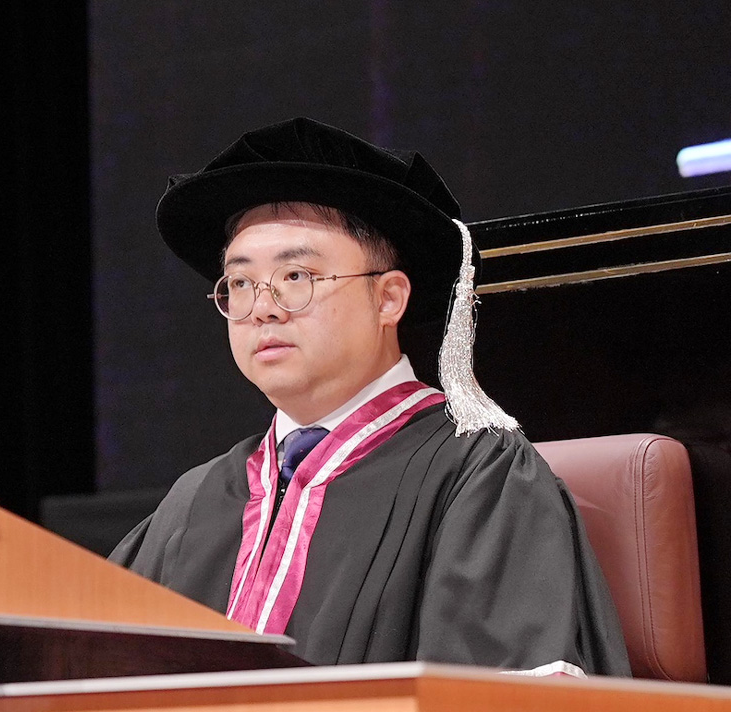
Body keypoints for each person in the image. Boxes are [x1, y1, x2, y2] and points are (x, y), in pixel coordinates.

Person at [111, 118, 630, 676]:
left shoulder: (477, 475)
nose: (262, 306)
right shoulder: (196, 499)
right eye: (240, 283)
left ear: (388, 299)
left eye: (296, 275)